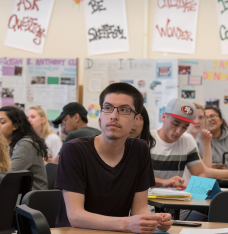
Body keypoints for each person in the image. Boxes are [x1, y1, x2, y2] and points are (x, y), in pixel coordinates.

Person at [55, 83, 172, 232]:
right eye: (108, 108)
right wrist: (127, 224)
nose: (114, 116)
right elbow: (75, 216)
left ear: (136, 119)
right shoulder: (74, 150)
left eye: (123, 110)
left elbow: (140, 208)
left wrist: (151, 221)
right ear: (100, 114)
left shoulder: (140, 150)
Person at [150, 98, 206, 188]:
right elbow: (134, 175)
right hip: (146, 199)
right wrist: (164, 182)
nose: (179, 131)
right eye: (175, 124)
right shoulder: (146, 139)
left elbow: (201, 174)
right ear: (163, 116)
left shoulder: (187, 141)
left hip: (176, 200)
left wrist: (193, 186)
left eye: (185, 127)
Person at [185, 102, 228, 181]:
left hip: (190, 185)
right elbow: (205, 172)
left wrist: (207, 143)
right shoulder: (187, 138)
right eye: (193, 117)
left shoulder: (191, 138)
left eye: (201, 117)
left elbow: (206, 168)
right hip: (183, 188)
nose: (197, 121)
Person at [0, 106, 48, 190]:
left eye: (2, 122)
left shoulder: (26, 144)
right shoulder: (10, 144)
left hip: (30, 200)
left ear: (15, 126)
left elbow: (7, 175)